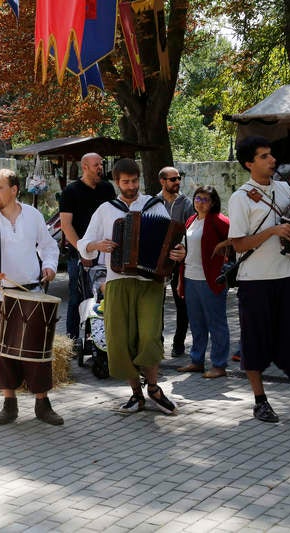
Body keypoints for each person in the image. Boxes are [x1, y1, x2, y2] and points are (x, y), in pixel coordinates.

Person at [78, 158, 186, 415]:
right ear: (116, 182)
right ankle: (136, 394)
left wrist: (180, 251)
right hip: (117, 282)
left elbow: (170, 240)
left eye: (135, 181)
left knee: (150, 336)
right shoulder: (106, 209)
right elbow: (84, 244)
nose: (131, 186)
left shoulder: (155, 205)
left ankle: (153, 388)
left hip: (150, 282)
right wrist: (97, 246)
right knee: (120, 340)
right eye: (126, 182)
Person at [229, 136, 290, 423]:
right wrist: (272, 232)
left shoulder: (286, 190)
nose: (272, 160)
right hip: (254, 280)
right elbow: (237, 244)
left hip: (287, 275)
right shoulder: (240, 197)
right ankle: (260, 401)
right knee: (255, 341)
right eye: (264, 156)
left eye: (271, 155)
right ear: (249, 163)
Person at [0, 168, 62, 426]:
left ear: (14, 190)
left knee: (37, 350)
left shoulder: (33, 216)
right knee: (0, 353)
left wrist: (50, 266)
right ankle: (9, 403)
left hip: (32, 294)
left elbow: (49, 246)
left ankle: (43, 403)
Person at [59, 152, 116, 344]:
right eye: (96, 165)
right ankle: (72, 341)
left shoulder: (107, 189)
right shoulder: (71, 191)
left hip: (105, 254)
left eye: (101, 164)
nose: (100, 167)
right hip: (79, 254)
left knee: (105, 299)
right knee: (76, 298)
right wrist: (84, 251)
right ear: (84, 167)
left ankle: (103, 341)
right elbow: (66, 225)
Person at [177, 186, 230, 378]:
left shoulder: (218, 220)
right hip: (190, 278)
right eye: (197, 198)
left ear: (213, 202)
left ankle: (219, 364)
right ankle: (197, 360)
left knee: (216, 323)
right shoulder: (191, 220)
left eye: (205, 199)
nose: (200, 202)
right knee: (197, 323)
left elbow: (237, 236)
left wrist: (222, 245)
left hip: (210, 280)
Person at [156, 167, 195, 357]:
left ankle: (178, 344)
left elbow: (191, 230)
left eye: (179, 178)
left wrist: (183, 250)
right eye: (173, 179)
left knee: (182, 302)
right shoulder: (153, 202)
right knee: (157, 302)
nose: (177, 182)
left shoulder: (187, 203)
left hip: (179, 258)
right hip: (157, 259)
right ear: (162, 181)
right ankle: (158, 343)